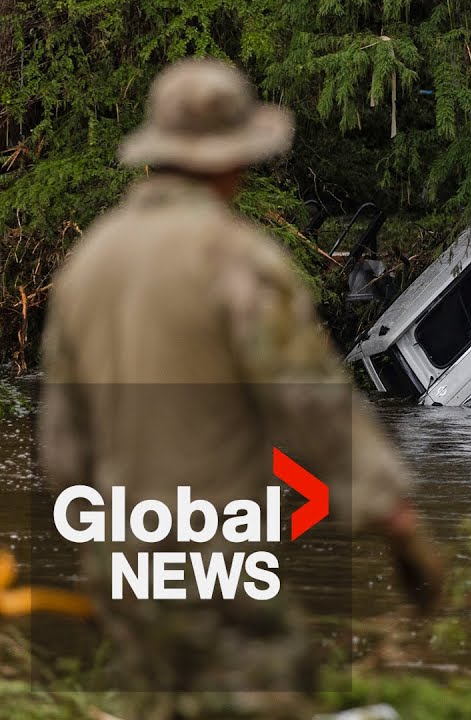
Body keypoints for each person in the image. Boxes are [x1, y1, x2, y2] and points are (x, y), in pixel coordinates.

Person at [38, 58, 445, 719]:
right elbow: (310, 403)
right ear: (234, 160)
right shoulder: (235, 258)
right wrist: (394, 519)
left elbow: (62, 448)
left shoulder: (89, 264)